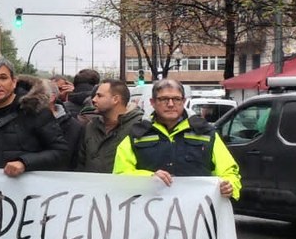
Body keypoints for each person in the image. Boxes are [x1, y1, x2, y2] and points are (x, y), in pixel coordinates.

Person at [113, 79, 241, 198]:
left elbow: (229, 172)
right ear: (152, 102)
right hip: (149, 214)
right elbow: (120, 175)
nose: (170, 104)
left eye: (176, 99)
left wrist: (230, 186)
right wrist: (149, 178)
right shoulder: (136, 134)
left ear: (184, 101)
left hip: (196, 214)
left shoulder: (206, 132)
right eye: (163, 99)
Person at [0, 57, 69, 176]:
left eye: (3, 78)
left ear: (14, 82)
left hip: (26, 191)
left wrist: (25, 163)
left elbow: (60, 152)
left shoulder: (35, 110)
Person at [76, 78, 146, 174]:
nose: (93, 100)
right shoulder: (91, 126)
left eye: (99, 96)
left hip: (123, 186)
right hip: (91, 187)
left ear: (115, 99)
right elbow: (81, 163)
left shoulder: (138, 126)